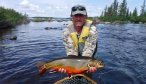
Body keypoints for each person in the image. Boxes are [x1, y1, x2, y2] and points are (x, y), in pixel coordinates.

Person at [59, 5, 98, 74]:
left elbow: (88, 51)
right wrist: (68, 67)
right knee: (72, 72)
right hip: (74, 57)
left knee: (87, 72)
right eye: (76, 16)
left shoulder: (92, 30)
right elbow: (71, 52)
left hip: (88, 56)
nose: (78, 18)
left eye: (81, 16)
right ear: (71, 17)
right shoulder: (66, 32)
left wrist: (87, 66)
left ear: (86, 17)